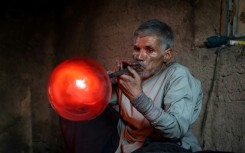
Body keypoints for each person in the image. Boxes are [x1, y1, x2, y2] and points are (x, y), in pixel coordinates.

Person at [60, 19, 203, 153]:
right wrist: (106, 81)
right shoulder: (130, 76)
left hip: (160, 145)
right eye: (137, 49)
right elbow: (94, 103)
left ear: (167, 55)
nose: (140, 56)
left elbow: (176, 130)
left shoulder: (177, 75)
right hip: (126, 143)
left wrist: (138, 98)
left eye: (149, 50)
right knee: (76, 109)